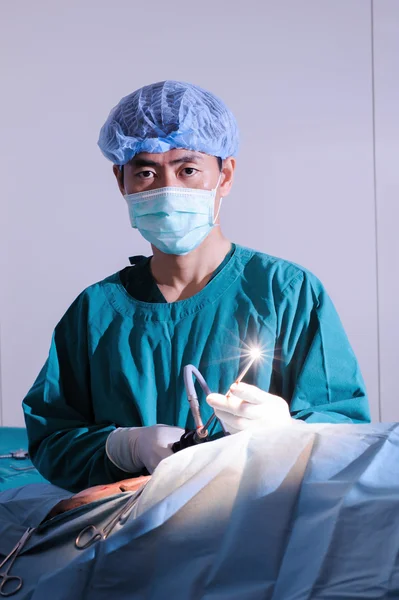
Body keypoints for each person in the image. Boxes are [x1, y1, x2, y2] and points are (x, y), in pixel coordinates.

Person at [22, 80, 370, 493]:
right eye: (146, 172)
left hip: (256, 535)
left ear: (225, 176)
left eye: (188, 170)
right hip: (127, 540)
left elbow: (346, 432)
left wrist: (287, 431)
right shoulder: (95, 312)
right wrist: (124, 446)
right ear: (122, 182)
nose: (168, 189)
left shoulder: (287, 293)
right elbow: (52, 439)